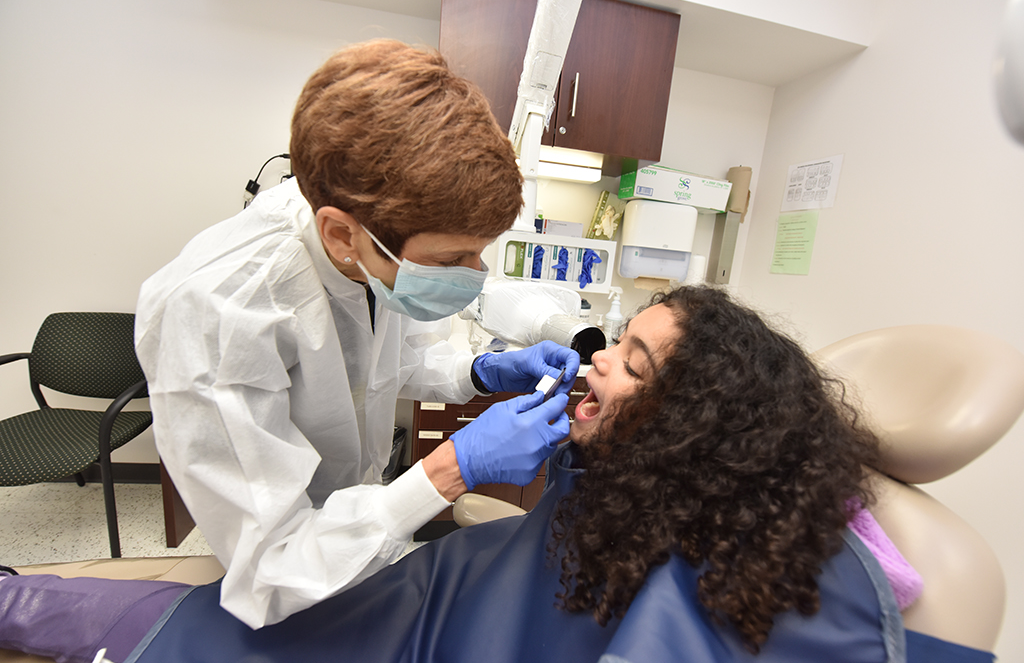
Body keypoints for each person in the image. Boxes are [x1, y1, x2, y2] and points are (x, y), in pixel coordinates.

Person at [0, 286, 991, 662]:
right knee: (126, 605)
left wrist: (447, 471)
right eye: (618, 343)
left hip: (399, 630)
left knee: (131, 621)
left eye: (632, 363)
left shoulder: (704, 574)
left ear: (692, 429)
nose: (595, 357)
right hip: (401, 600)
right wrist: (483, 397)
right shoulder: (629, 483)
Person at [131, 39, 579, 629]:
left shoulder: (370, 248)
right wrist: (452, 469)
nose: (474, 275)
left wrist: (480, 371)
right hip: (285, 562)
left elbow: (386, 365)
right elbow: (271, 568)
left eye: (481, 252)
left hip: (361, 525)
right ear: (342, 235)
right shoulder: (218, 313)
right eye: (453, 257)